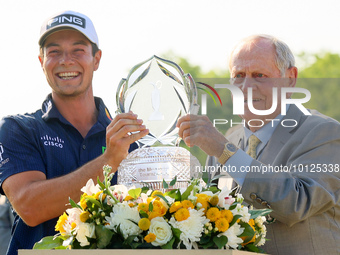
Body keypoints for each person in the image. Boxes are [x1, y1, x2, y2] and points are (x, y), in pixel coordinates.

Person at [0, 10, 148, 255]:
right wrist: (108, 161)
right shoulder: (18, 129)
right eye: (54, 51)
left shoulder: (130, 140)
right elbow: (30, 208)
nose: (65, 60)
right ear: (41, 61)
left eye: (78, 50)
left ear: (96, 59)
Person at [177, 34, 340, 255]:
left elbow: (298, 202)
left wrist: (225, 151)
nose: (246, 86)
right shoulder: (230, 138)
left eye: (259, 75)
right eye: (239, 75)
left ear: (290, 79)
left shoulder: (324, 133)